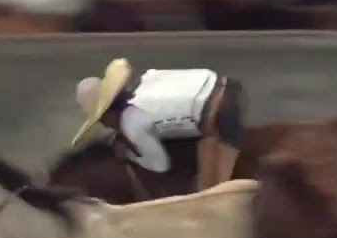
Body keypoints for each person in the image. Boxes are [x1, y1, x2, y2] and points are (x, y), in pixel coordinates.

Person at [72, 58, 244, 191]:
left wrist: (131, 156)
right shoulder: (139, 87)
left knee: (212, 197)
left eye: (101, 120)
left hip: (221, 111)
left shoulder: (133, 125)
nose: (106, 126)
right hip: (224, 86)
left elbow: (161, 166)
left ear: (107, 113)